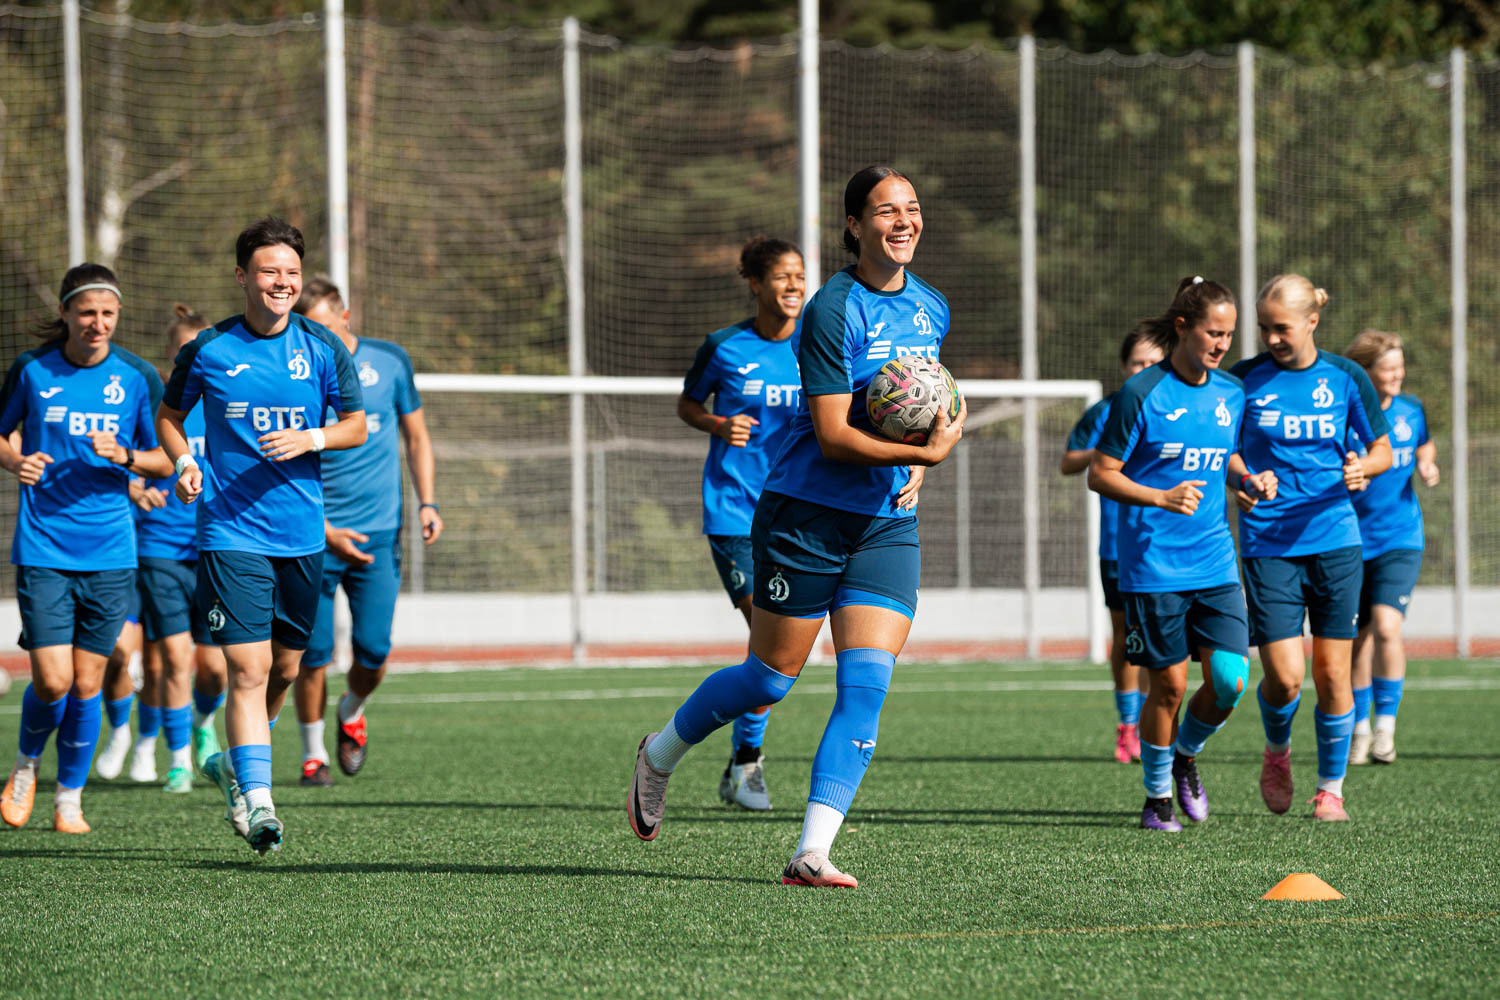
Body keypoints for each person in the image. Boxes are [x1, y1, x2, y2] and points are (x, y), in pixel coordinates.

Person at [627, 166, 965, 887]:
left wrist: (923, 465)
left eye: (912, 209)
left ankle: (812, 851)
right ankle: (658, 755)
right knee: (770, 679)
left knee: (866, 687)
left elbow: (928, 404)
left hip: (883, 525)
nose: (903, 221)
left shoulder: (931, 307)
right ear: (854, 226)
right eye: (885, 211)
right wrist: (924, 449)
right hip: (805, 517)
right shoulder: (833, 311)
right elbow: (835, 434)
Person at [158, 217, 365, 855]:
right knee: (246, 669)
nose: (282, 282)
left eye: (292, 273)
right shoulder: (209, 350)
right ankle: (258, 802)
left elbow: (356, 425)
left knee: (284, 667)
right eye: (270, 271)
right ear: (242, 275)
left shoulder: (324, 348)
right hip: (229, 531)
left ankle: (231, 765)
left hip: (301, 536)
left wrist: (313, 437)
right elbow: (169, 418)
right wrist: (186, 463)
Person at [1088, 276, 1270, 831]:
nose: (1222, 345)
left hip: (1215, 560)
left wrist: (1249, 480)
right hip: (1153, 566)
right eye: (1213, 333)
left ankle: (1185, 753)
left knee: (1231, 680)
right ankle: (1157, 797)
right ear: (1184, 328)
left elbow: (1227, 456)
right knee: (1167, 686)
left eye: (1230, 335)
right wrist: (1159, 497)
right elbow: (1101, 474)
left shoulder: (1230, 394)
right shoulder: (1141, 395)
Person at [0, 263, 172, 834]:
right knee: (53, 681)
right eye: (87, 312)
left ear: (116, 316)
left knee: (89, 681)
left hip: (111, 551)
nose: (97, 323)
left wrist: (124, 457)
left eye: (107, 313)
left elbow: (164, 458)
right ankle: (26, 766)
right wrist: (15, 460)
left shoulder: (139, 377)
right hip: (45, 544)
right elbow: (2, 434)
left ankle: (68, 799)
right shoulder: (32, 370)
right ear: (67, 315)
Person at [1232, 274, 1391, 822]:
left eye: (1281, 328)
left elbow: (1383, 450)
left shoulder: (1346, 378)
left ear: (1311, 322)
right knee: (1284, 676)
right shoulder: (1244, 381)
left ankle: (1330, 790)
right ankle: (1277, 751)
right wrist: (1246, 478)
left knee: (1331, 672)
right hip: (1268, 542)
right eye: (1264, 328)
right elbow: (1223, 452)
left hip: (1334, 540)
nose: (1271, 338)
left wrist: (1361, 467)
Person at [291, 277, 441, 787]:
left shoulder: (390, 362)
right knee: (310, 655)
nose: (315, 337)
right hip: (313, 535)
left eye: (324, 326)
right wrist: (324, 528)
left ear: (345, 317)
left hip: (378, 537)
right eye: (306, 328)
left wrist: (428, 502)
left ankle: (351, 709)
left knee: (374, 651)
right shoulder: (293, 372)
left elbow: (417, 438)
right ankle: (314, 757)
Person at [677, 236, 805, 810]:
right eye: (781, 276)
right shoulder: (724, 346)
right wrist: (716, 423)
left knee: (782, 652)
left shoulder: (818, 345)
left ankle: (739, 763)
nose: (794, 286)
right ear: (755, 284)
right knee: (766, 637)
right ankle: (748, 763)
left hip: (796, 509)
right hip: (733, 510)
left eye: (800, 275)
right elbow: (688, 404)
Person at [127, 303, 232, 793]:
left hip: (217, 549)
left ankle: (204, 723)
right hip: (160, 548)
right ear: (172, 358)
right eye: (184, 353)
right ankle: (178, 761)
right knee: (172, 658)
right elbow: (121, 457)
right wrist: (133, 485)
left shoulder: (233, 405)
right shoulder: (154, 409)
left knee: (213, 669)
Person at [1061, 325, 1169, 764]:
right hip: (1117, 545)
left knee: (1159, 639)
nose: (1144, 369)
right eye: (1137, 362)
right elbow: (1070, 461)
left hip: (1165, 543)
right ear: (1124, 367)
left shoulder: (1175, 406)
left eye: (1152, 362)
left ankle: (1153, 723)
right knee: (1125, 635)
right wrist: (1106, 449)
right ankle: (1128, 726)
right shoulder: (1106, 411)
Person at [1343, 330, 1438, 766]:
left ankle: (1386, 730)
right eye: (1388, 366)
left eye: (1400, 365)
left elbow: (1424, 441)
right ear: (1367, 372)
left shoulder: (1411, 410)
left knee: (1386, 627)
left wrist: (1426, 462)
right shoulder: (1346, 417)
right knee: (1356, 640)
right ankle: (1359, 729)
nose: (1397, 373)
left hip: (1400, 537)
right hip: (1348, 541)